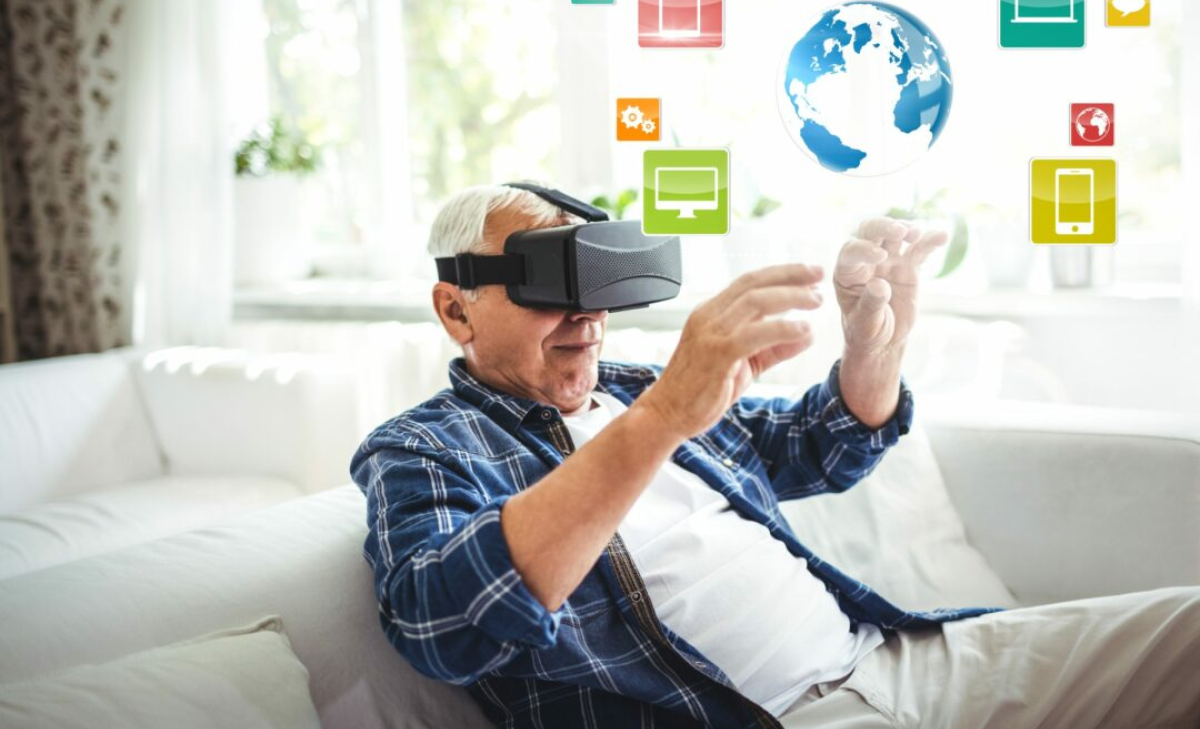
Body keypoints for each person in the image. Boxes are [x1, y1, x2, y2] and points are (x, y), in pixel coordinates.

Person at [350, 183, 1200, 729]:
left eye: (596, 286)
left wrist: (875, 343)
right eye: (545, 284)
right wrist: (662, 419)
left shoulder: (637, 383)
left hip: (895, 658)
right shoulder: (421, 449)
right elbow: (444, 623)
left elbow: (816, 446)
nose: (586, 319)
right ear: (455, 310)